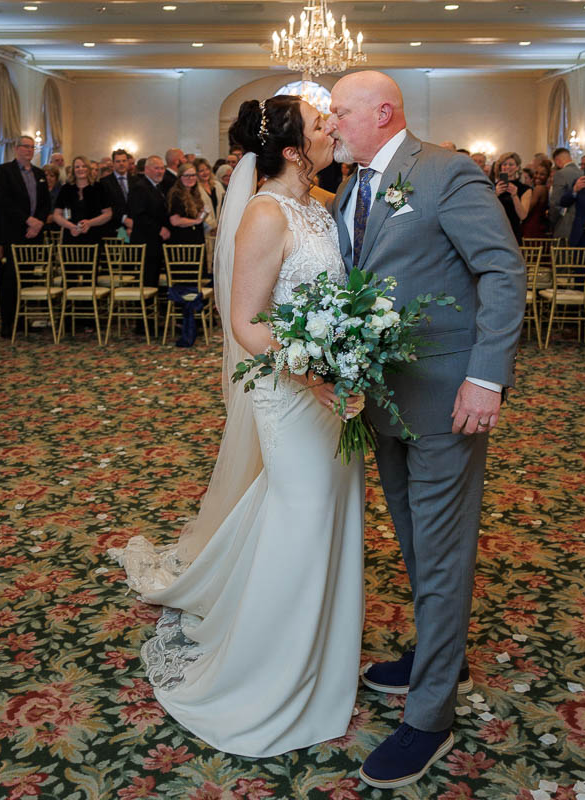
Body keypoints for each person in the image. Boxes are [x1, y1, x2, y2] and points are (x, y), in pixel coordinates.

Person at [109, 94, 365, 758]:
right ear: (289, 149)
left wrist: (352, 355)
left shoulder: (324, 203)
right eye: (318, 125)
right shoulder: (262, 213)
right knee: (301, 517)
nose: (331, 128)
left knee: (327, 518)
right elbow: (246, 322)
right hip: (292, 391)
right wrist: (312, 373)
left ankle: (322, 655)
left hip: (336, 390)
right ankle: (267, 673)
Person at [328, 70, 525, 789]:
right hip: (385, 397)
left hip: (449, 398)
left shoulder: (445, 170)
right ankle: (438, 650)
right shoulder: (352, 188)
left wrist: (486, 375)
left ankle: (430, 716)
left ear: (383, 112)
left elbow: (501, 271)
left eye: (341, 112)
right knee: (413, 537)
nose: (331, 124)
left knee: (441, 549)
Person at [0, 135, 52, 338]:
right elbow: (4, 201)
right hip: (15, 231)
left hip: (34, 233)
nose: (29, 150)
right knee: (11, 278)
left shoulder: (39, 173)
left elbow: (45, 203)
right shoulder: (4, 171)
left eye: (32, 147)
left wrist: (39, 222)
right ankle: (8, 322)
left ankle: (22, 319)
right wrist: (28, 220)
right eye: (25, 147)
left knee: (27, 278)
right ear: (16, 149)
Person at [126, 155, 172, 287]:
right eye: (156, 168)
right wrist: (159, 229)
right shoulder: (140, 187)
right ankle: (145, 306)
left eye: (162, 168)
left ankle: (153, 305)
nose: (160, 171)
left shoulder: (159, 187)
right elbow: (139, 216)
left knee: (154, 277)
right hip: (145, 241)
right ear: (146, 170)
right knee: (147, 278)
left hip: (155, 242)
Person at [54, 155, 113, 248]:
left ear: (88, 169)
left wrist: (90, 223)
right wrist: (71, 226)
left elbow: (108, 214)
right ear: (73, 170)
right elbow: (57, 214)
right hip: (70, 235)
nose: (80, 169)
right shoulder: (66, 189)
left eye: (84, 166)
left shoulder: (99, 188)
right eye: (77, 167)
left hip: (93, 236)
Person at [493, 152, 530, 245]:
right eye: (504, 164)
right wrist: (495, 194)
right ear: (501, 167)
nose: (507, 167)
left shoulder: (525, 189)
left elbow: (523, 216)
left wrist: (514, 196)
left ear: (517, 167)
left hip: (513, 230)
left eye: (511, 164)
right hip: (494, 230)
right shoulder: (492, 187)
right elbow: (484, 210)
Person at [166, 163, 208, 246]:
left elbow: (196, 216)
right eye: (187, 176)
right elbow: (175, 221)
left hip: (196, 238)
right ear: (180, 177)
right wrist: (196, 221)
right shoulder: (176, 194)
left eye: (193, 175)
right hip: (183, 241)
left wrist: (203, 214)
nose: (190, 178)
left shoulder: (194, 192)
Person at [548, 147, 581, 243]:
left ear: (557, 161)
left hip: (564, 223)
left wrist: (552, 220)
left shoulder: (560, 174)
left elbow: (555, 202)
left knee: (562, 256)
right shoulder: (582, 173)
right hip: (579, 224)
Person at [100, 148, 132, 235]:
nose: (121, 164)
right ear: (113, 163)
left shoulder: (136, 181)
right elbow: (106, 206)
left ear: (128, 162)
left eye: (124, 161)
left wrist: (132, 224)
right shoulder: (104, 182)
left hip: (134, 227)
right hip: (114, 227)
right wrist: (124, 219)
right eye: (118, 161)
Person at [520, 160, 551, 240]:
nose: (538, 176)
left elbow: (527, 209)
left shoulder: (539, 189)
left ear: (547, 176)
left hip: (532, 227)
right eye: (536, 173)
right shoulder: (545, 188)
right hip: (538, 225)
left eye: (542, 174)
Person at [42, 165, 63, 230]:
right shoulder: (37, 190)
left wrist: (54, 217)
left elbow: (67, 211)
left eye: (52, 176)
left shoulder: (62, 191)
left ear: (56, 179)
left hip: (58, 225)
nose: (48, 178)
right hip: (40, 224)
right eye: (46, 175)